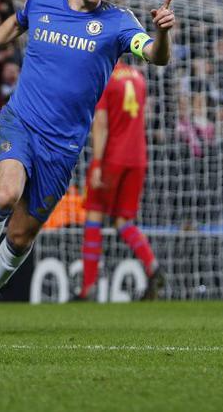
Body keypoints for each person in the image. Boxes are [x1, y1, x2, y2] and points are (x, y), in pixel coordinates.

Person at [0, 0, 174, 335]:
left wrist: (163, 33)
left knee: (20, 235)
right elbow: (16, 22)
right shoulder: (42, 2)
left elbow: (155, 56)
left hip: (61, 148)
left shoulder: (119, 22)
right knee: (5, 193)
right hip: (21, 122)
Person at [79, 62, 165, 300]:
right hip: (138, 157)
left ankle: (88, 288)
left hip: (112, 158)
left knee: (94, 216)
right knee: (123, 220)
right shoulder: (138, 76)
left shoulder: (105, 76)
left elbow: (101, 123)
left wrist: (97, 163)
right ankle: (153, 266)